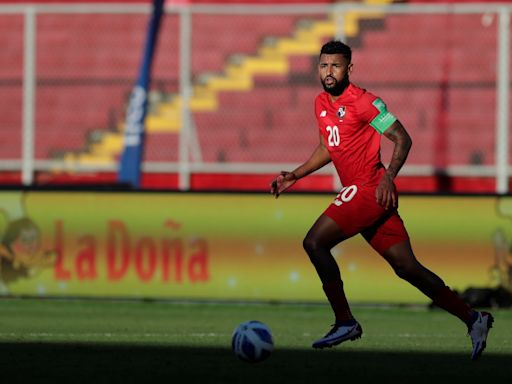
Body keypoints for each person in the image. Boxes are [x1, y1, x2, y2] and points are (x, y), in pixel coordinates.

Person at [270, 40, 493, 360]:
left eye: (335, 65)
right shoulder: (320, 102)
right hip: (368, 194)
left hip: (370, 188)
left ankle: (345, 321)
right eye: (323, 65)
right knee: (407, 267)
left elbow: (402, 137)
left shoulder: (364, 102)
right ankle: (474, 319)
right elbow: (327, 147)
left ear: (349, 68)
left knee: (314, 243)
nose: (328, 72)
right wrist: (296, 174)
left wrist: (389, 175)